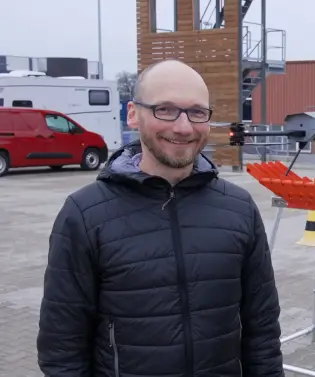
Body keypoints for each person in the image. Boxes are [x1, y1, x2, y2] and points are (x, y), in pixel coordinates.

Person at [36, 59, 284, 377]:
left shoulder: (239, 208)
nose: (183, 127)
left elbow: (262, 329)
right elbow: (62, 348)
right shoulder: (84, 214)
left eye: (196, 112)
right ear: (132, 114)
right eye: (164, 109)